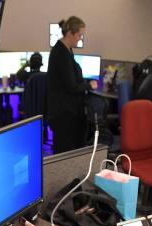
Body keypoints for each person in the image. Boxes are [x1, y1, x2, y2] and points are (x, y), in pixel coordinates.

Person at [46, 16, 94, 154]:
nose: (80, 38)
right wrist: (89, 85)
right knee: (64, 152)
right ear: (69, 33)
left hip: (68, 111)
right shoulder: (61, 53)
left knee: (72, 147)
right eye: (79, 35)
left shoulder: (66, 50)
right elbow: (71, 86)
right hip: (63, 113)